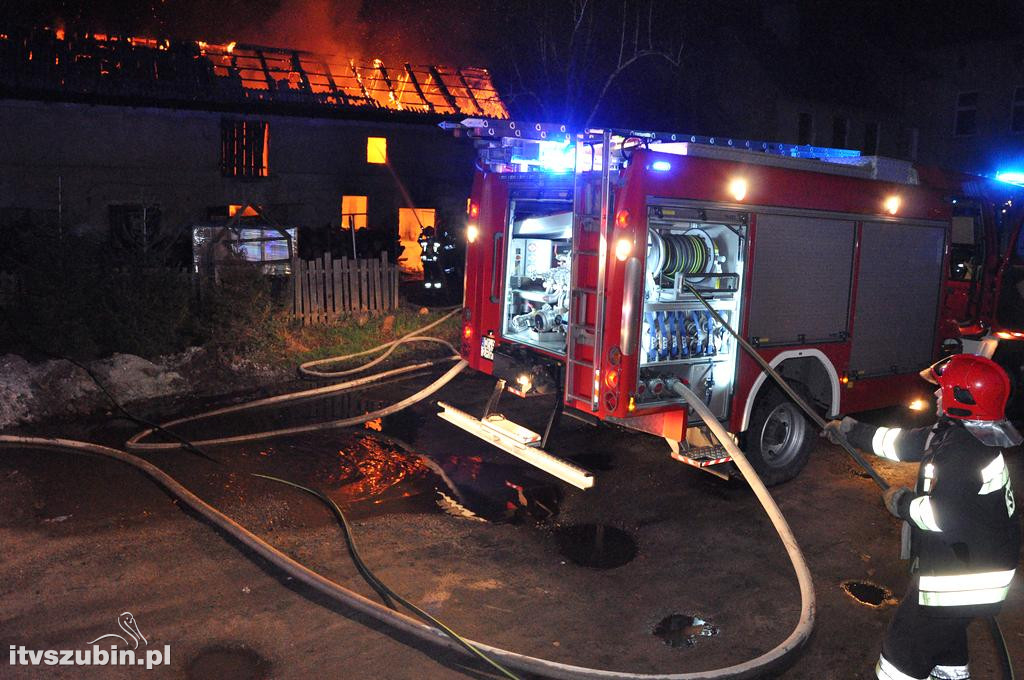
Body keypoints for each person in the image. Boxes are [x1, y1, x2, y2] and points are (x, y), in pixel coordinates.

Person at [824, 354, 1020, 680]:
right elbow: (901, 443)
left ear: (963, 398)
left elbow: (942, 517)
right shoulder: (957, 433)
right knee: (945, 644)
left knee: (900, 656)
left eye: (944, 389)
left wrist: (902, 503)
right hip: (972, 568)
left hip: (963, 579)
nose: (937, 393)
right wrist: (850, 430)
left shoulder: (964, 453)